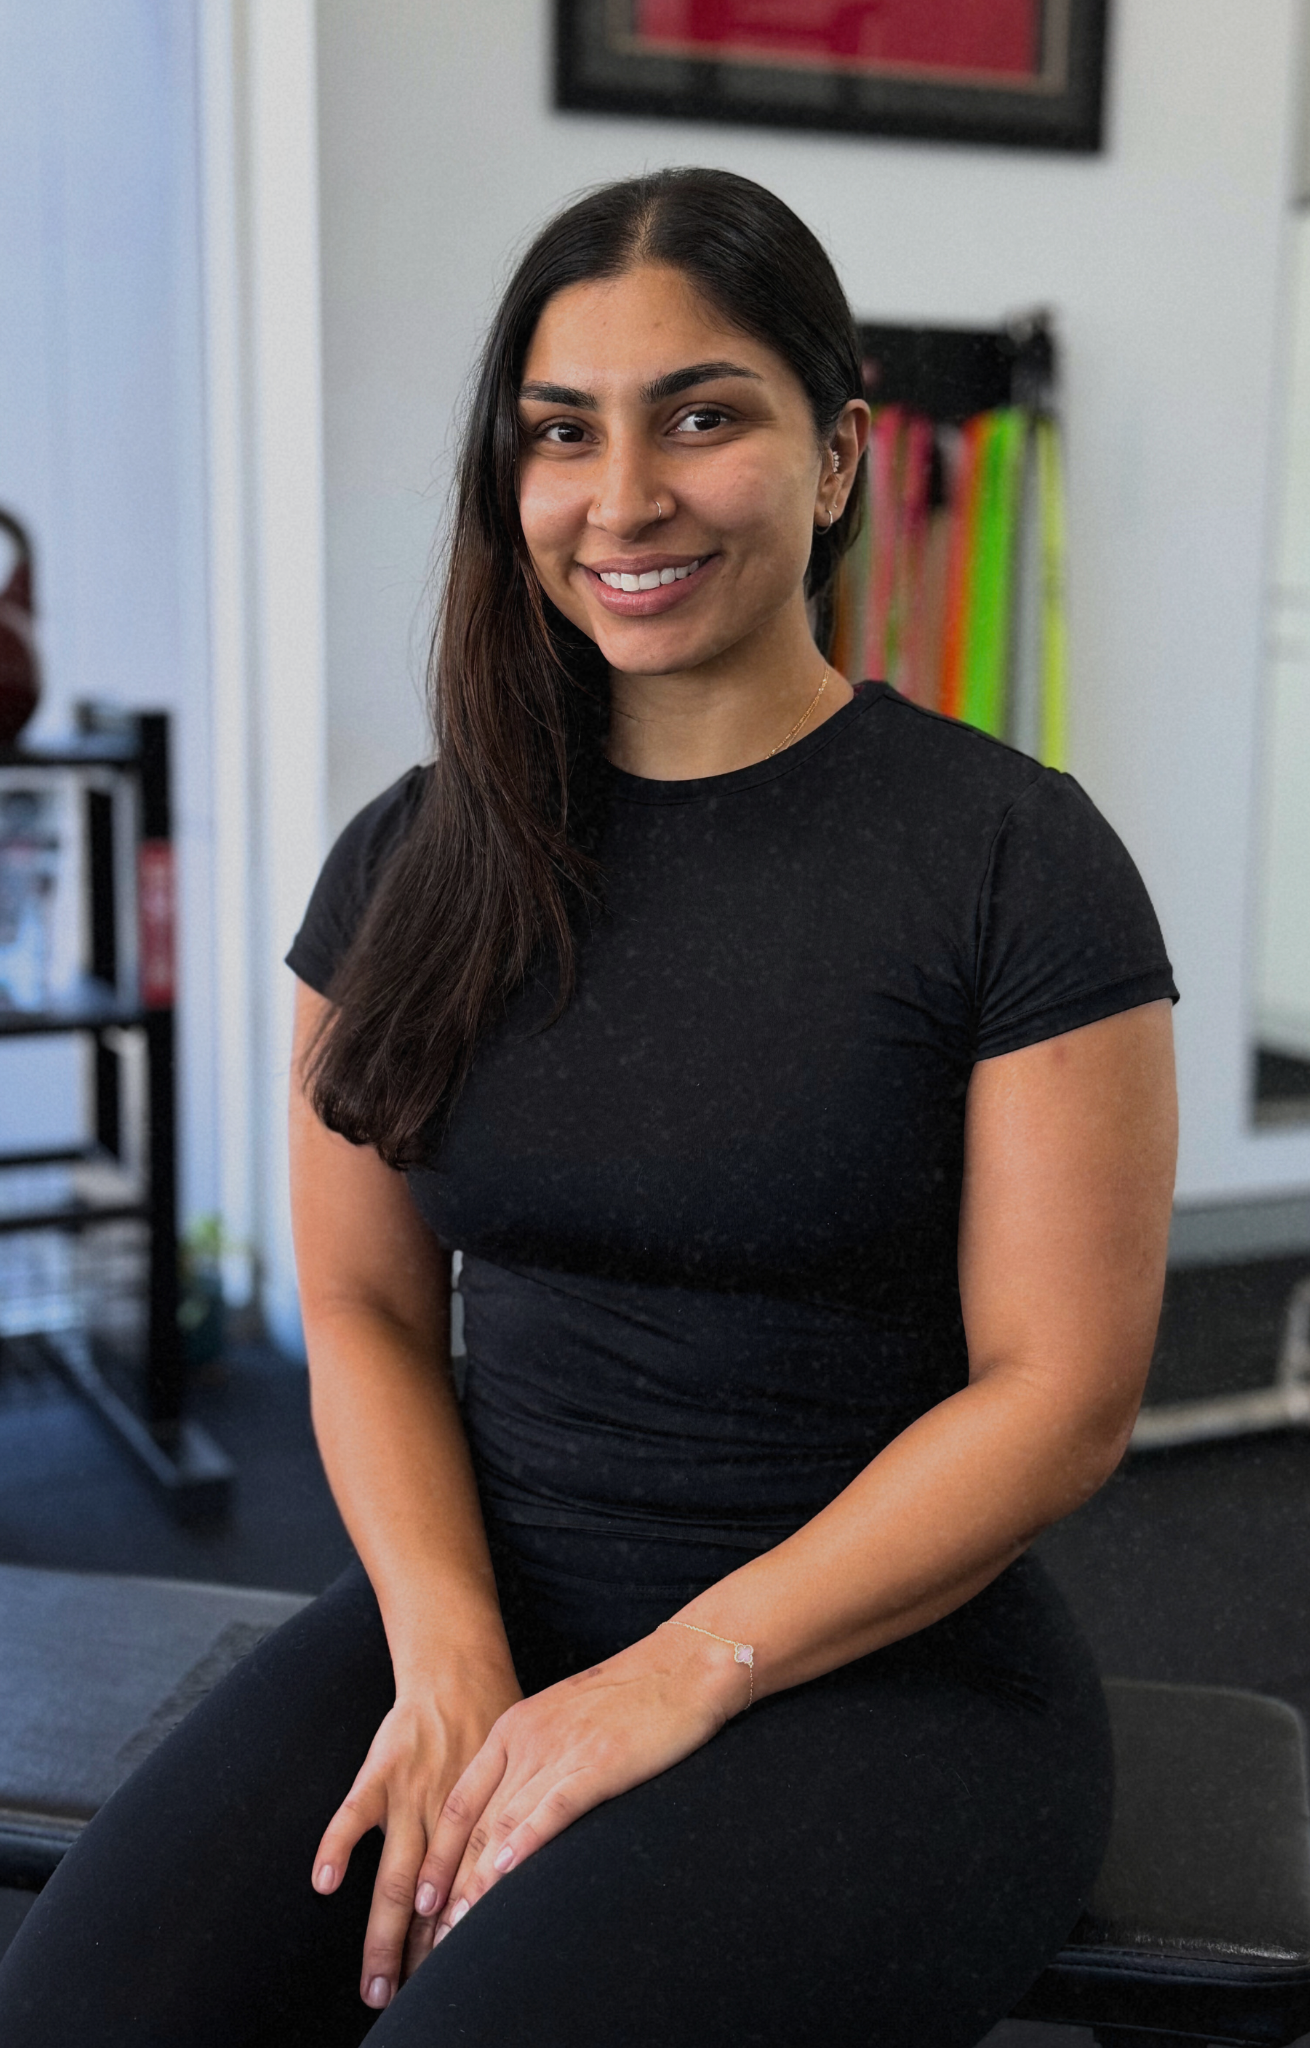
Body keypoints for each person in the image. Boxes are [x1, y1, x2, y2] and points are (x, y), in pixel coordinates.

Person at [0, 167, 1178, 2047]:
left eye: (702, 416)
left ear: (840, 456)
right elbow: (370, 1308)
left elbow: (1062, 1395)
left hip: (882, 1672)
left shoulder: (1011, 860)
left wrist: (677, 1674)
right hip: (486, 1603)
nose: (621, 498)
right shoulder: (414, 858)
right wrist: (449, 1647)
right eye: (562, 435)